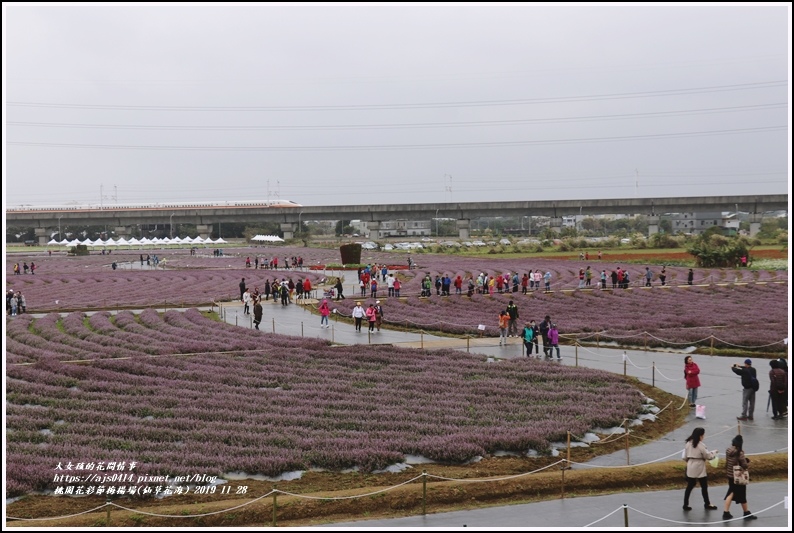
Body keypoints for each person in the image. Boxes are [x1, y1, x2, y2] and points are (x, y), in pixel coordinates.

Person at [682, 427, 718, 511]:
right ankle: (707, 503)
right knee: (704, 486)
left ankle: (685, 504)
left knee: (689, 486)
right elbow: (707, 456)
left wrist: (689, 462)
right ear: (700, 436)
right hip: (699, 466)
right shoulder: (701, 445)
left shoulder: (688, 443)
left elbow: (684, 457)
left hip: (690, 465)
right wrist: (714, 452)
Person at [722, 435, 756, 520]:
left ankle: (726, 512)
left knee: (731, 493)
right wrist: (746, 461)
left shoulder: (728, 450)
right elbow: (744, 465)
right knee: (742, 495)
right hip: (738, 476)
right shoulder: (739, 452)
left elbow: (730, 461)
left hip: (730, 475)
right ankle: (746, 513)